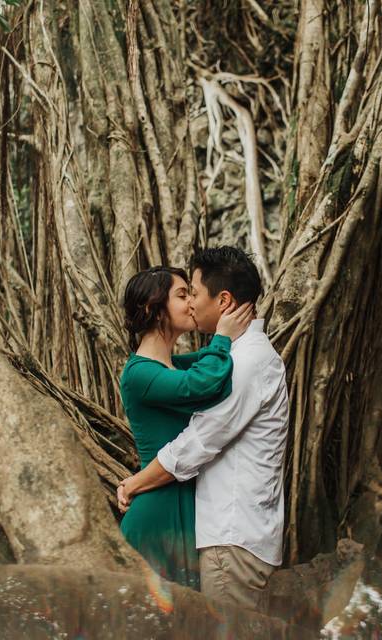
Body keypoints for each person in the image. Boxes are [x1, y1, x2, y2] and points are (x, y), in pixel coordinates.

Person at [119, 247, 290, 610]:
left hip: (224, 531)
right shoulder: (151, 371)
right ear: (154, 307)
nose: (192, 303)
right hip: (174, 514)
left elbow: (200, 439)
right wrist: (222, 340)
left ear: (224, 300)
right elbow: (196, 382)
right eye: (183, 295)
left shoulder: (244, 362)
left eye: (192, 292)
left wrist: (135, 480)